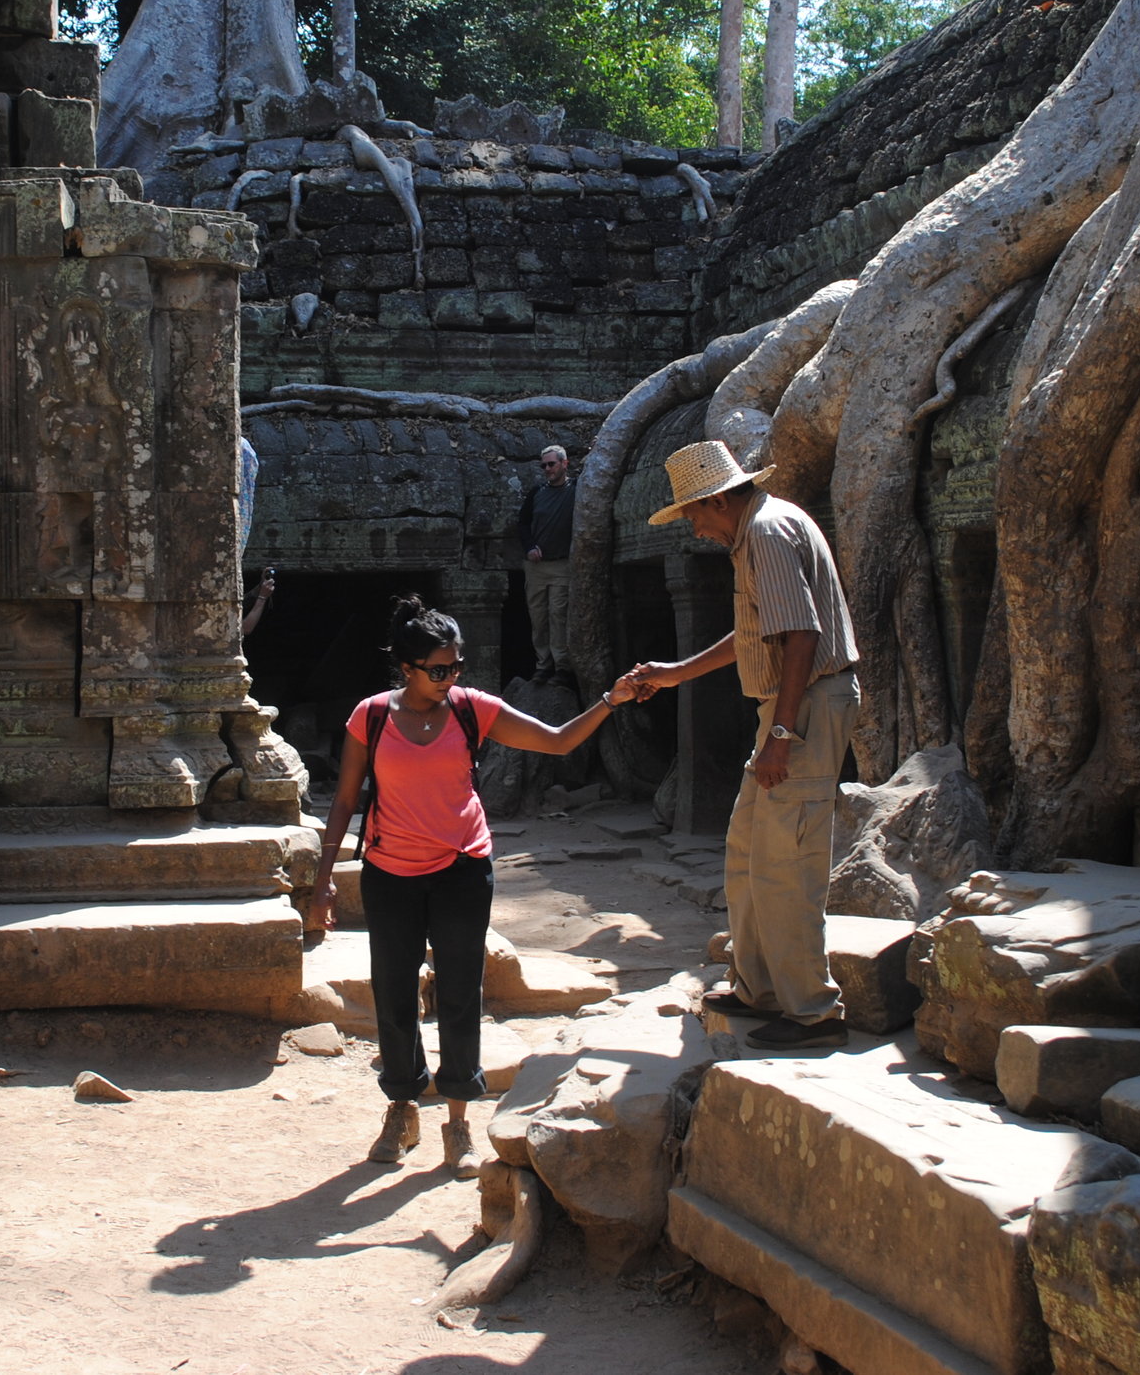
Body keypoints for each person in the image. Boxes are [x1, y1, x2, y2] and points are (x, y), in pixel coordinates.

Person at [306, 596, 650, 1173]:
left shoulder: (473, 709)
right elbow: (343, 802)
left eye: (457, 666)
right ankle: (402, 1109)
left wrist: (610, 700)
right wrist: (323, 882)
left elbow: (558, 740)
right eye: (439, 670)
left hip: (462, 870)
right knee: (394, 994)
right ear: (407, 668)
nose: (451, 678)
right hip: (390, 873)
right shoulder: (371, 716)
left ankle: (458, 1122)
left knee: (461, 993)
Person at [625, 441, 861, 1050]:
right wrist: (676, 672)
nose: (696, 530)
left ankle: (814, 1012)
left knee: (788, 864)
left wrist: (782, 735)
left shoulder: (768, 532)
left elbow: (802, 636)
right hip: (787, 710)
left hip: (804, 710)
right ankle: (759, 989)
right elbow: (757, 630)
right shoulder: (755, 531)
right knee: (748, 851)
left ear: (719, 500)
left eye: (694, 516)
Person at [517, 445, 576, 681]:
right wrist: (530, 547)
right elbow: (522, 524)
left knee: (558, 615)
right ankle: (543, 666)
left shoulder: (576, 490)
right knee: (538, 618)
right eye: (544, 465)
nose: (547, 469)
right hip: (537, 568)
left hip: (562, 565)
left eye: (551, 464)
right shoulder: (537, 493)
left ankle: (562, 667)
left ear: (564, 464)